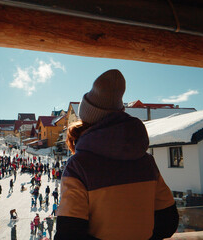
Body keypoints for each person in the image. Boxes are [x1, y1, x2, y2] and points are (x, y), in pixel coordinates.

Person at [54, 70, 178, 240]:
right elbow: (168, 222)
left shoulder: (79, 166)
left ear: (86, 115)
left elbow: (69, 234)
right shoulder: (146, 162)